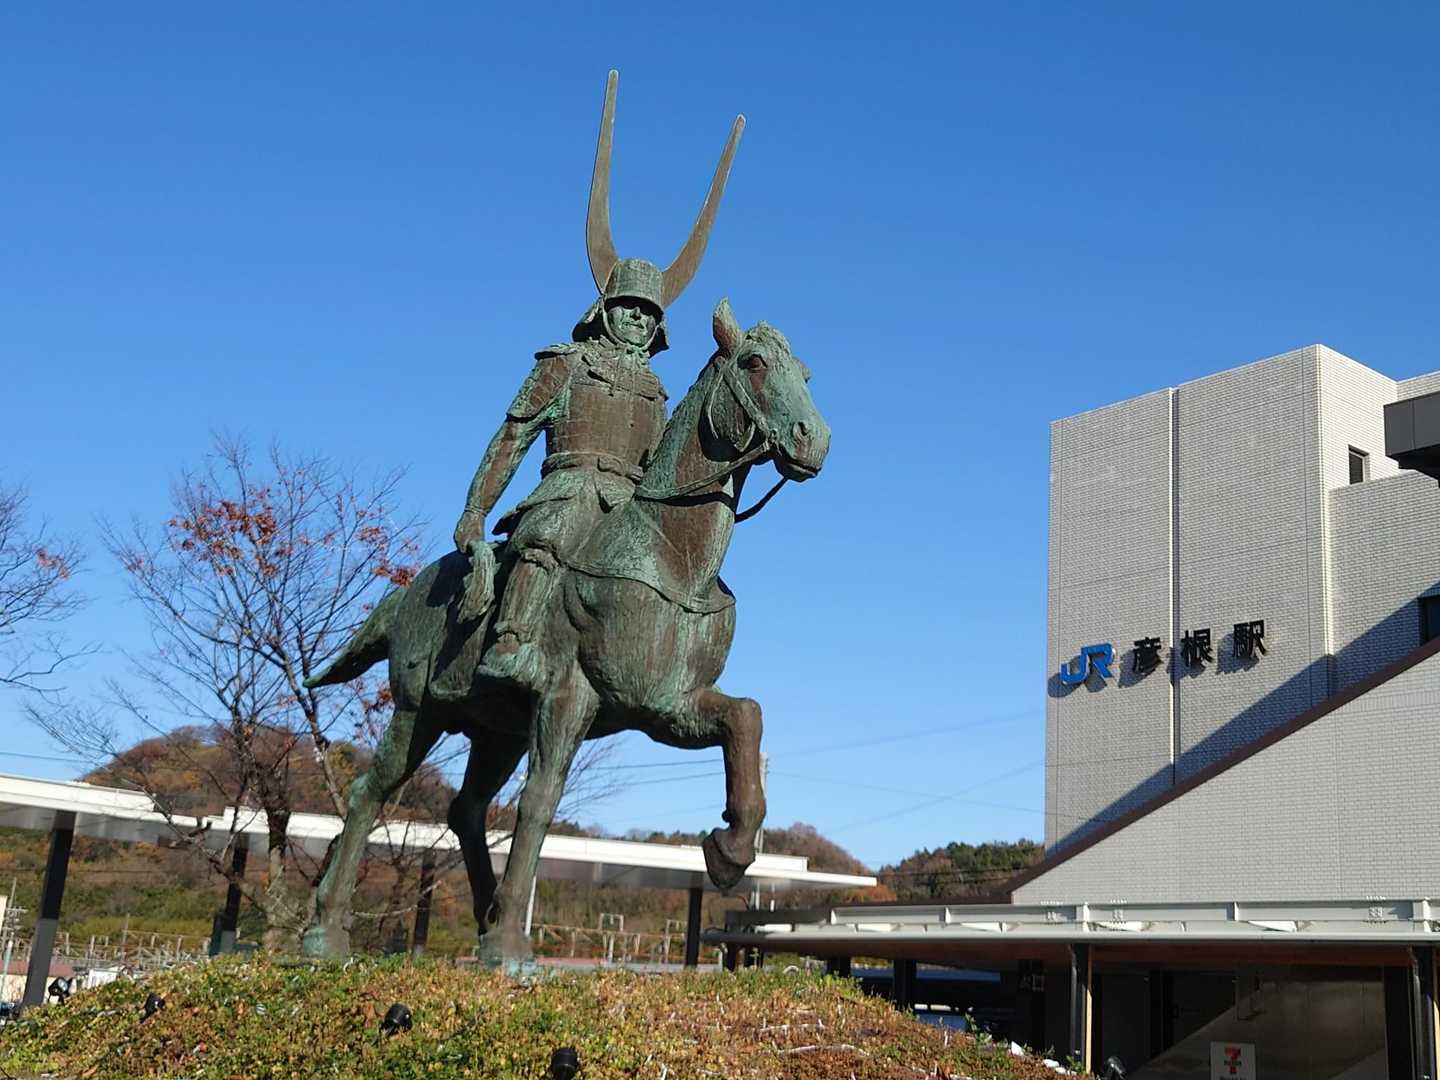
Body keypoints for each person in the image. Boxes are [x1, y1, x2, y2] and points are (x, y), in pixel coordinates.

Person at [450, 257, 670, 693]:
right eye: (629, 305)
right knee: (550, 534)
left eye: (649, 311)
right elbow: (513, 437)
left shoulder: (657, 393)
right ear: (604, 309)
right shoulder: (565, 364)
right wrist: (476, 509)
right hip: (570, 486)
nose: (638, 316)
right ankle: (510, 641)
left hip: (628, 505)